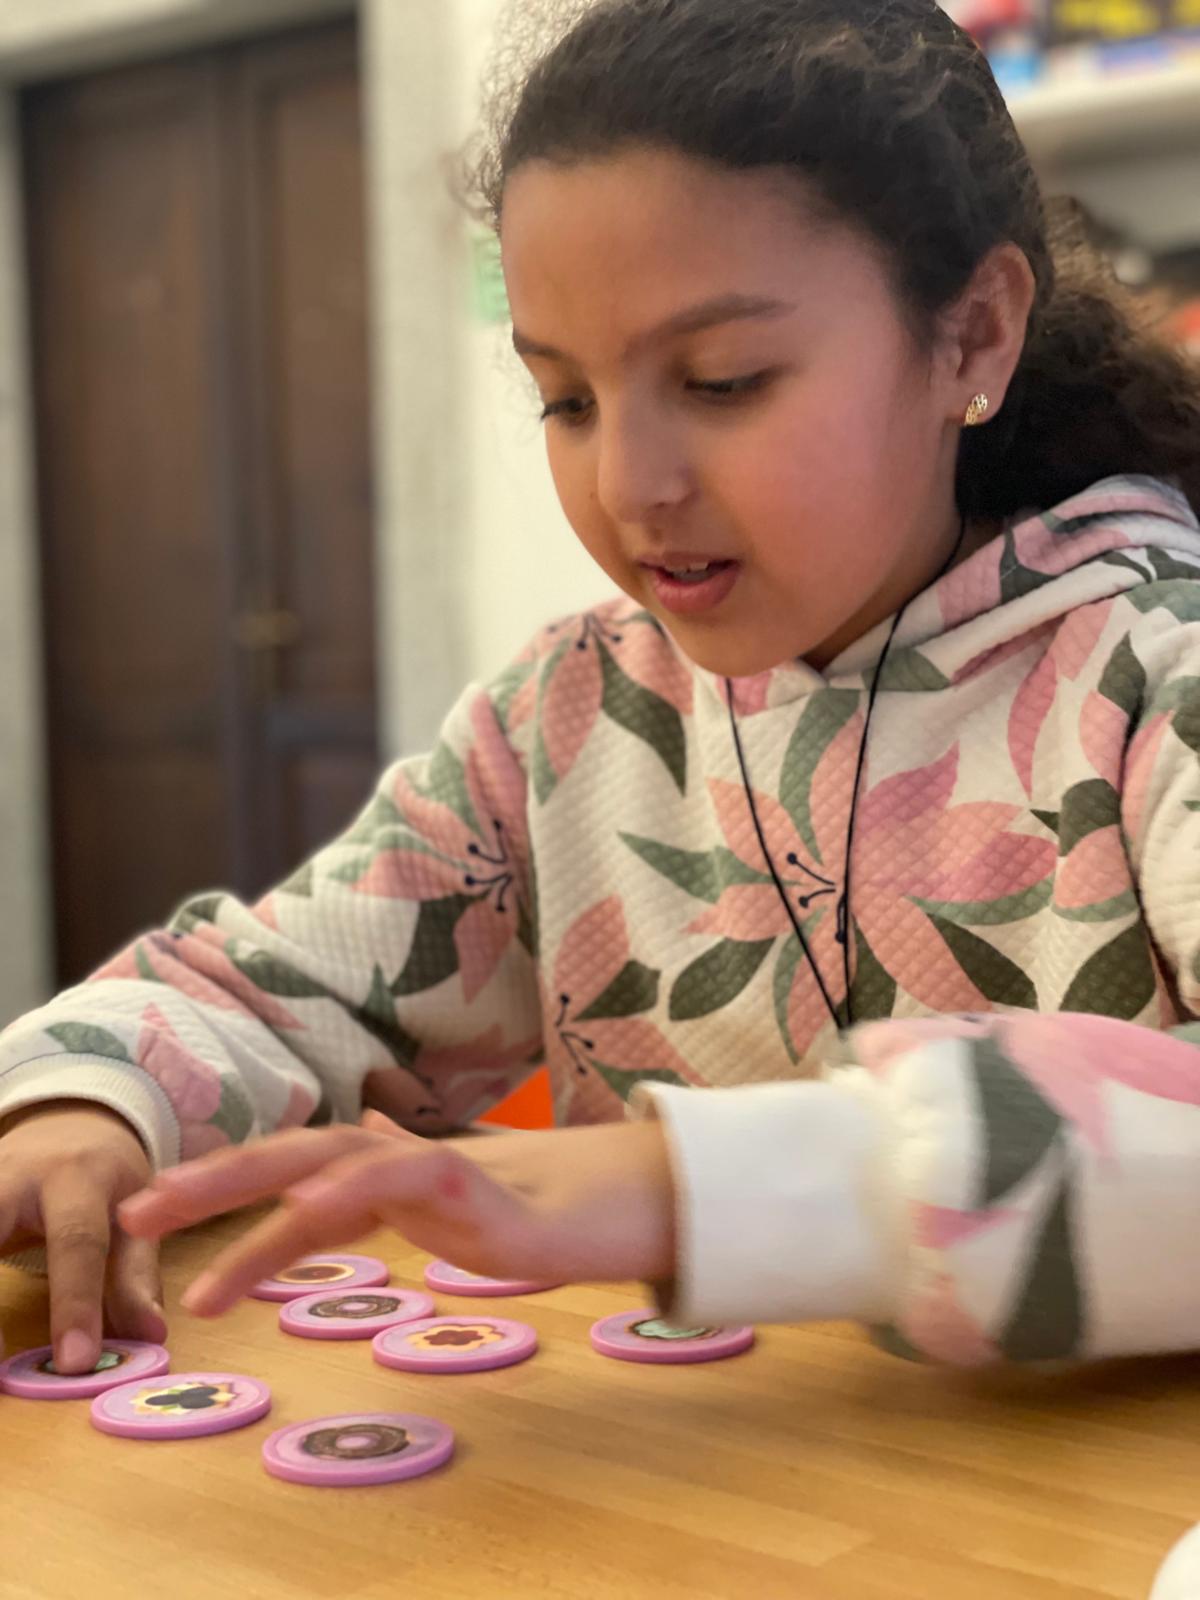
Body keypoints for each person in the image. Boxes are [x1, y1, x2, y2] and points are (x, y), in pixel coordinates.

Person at [4, 0, 1200, 1378]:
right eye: (566, 400)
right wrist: (87, 1104)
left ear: (974, 335)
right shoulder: (570, 719)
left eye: (724, 381)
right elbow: (275, 988)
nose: (629, 485)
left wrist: (688, 1186)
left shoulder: (1150, 676)